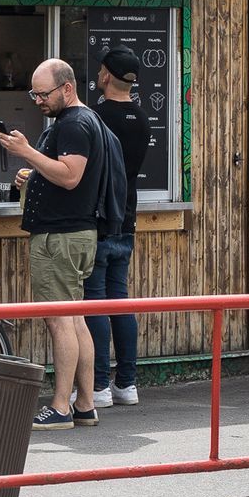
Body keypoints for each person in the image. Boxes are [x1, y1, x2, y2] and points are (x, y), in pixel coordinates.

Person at [0, 59, 104, 432]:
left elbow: (71, 176)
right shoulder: (77, 121)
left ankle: (61, 407)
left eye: (43, 94)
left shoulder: (74, 123)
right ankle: (86, 404)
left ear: (67, 88)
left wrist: (27, 153)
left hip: (60, 237)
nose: (38, 100)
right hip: (70, 233)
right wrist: (35, 170)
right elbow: (61, 172)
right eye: (34, 94)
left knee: (60, 319)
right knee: (74, 318)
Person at [85, 48, 152, 409]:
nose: (97, 74)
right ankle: (127, 383)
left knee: (94, 302)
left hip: (97, 220)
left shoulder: (95, 118)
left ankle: (99, 387)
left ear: (107, 75)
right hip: (127, 218)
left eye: (100, 69)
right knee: (120, 300)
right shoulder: (142, 120)